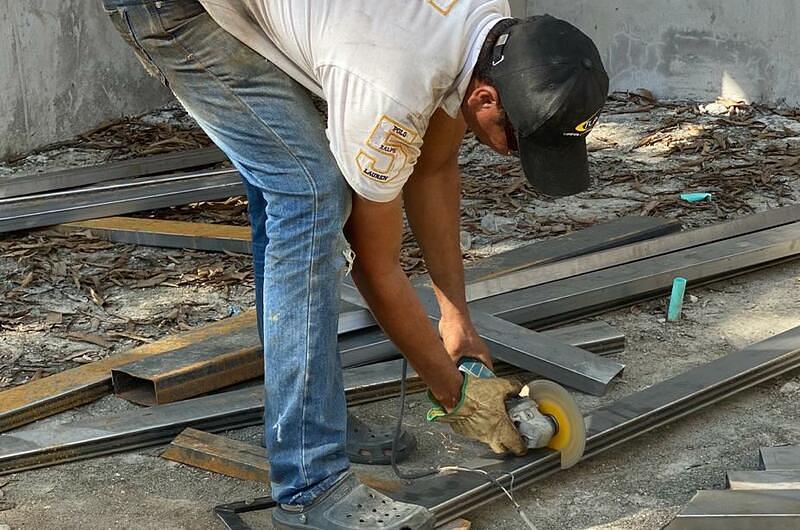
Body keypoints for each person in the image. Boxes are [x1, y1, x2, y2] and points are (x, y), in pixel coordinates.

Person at [100, 1, 608, 528]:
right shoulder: (388, 86)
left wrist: (456, 316)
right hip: (179, 10)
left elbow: (432, 169)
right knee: (309, 194)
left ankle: (303, 417)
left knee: (284, 175)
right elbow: (375, 266)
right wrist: (454, 393)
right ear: (485, 97)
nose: (509, 154)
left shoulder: (487, 24)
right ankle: (311, 484)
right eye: (516, 142)